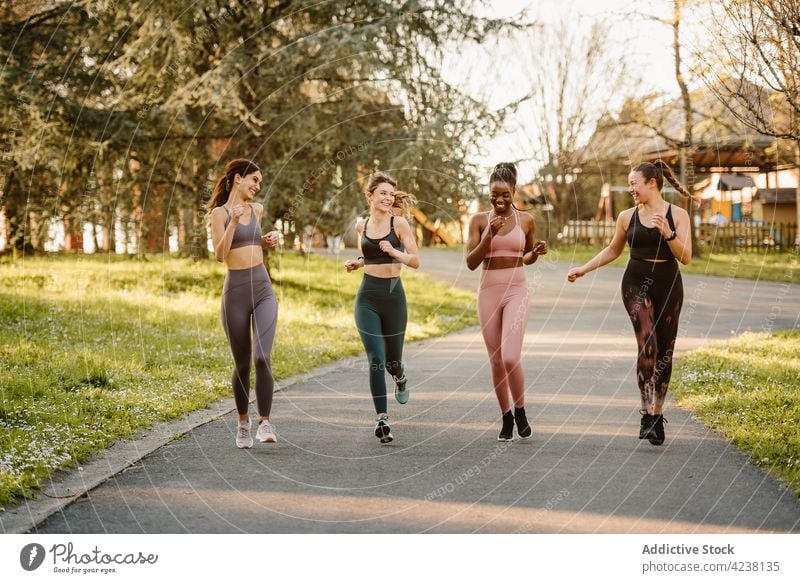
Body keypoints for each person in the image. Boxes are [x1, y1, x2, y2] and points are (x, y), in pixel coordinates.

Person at [567, 159, 692, 446]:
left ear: (652, 182)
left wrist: (668, 234)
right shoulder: (626, 216)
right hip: (635, 284)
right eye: (629, 184)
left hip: (669, 284)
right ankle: (646, 414)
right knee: (647, 343)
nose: (630, 188)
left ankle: (658, 415)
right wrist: (583, 269)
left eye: (634, 183)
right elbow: (613, 250)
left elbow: (685, 257)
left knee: (665, 351)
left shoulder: (678, 215)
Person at [466, 162, 548, 441]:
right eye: (494, 195)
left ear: (514, 192)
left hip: (517, 290)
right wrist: (488, 235)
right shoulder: (478, 221)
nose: (499, 200)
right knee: (496, 361)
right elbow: (470, 263)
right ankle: (506, 416)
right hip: (488, 291)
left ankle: (521, 409)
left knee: (510, 356)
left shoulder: (526, 220)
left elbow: (524, 257)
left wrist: (535, 254)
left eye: (505, 195)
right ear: (488, 193)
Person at [208, 159, 281, 449]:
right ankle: (243, 423)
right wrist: (234, 221)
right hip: (235, 292)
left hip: (262, 288)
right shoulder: (219, 213)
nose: (257, 186)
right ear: (238, 178)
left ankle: (265, 422)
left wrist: (266, 240)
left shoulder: (258, 210)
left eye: (260, 182)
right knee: (242, 364)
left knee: (262, 356)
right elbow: (220, 253)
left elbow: (251, 242)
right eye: (254, 180)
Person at [345, 173, 420, 444]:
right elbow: (368, 254)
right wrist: (358, 262)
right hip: (367, 297)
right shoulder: (361, 225)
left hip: (393, 297)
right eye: (383, 193)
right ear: (370, 196)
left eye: (391, 194)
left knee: (391, 362)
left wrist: (394, 252)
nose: (388, 198)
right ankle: (382, 418)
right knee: (376, 358)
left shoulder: (398, 223)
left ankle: (399, 376)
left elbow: (414, 260)